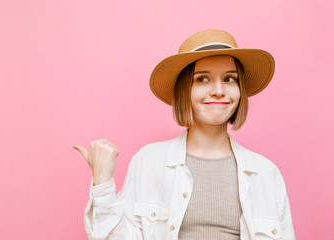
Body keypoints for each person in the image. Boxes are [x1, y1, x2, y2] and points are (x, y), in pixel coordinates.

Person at [73, 29, 296, 240]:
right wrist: (102, 184)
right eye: (202, 79)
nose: (218, 90)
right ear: (184, 90)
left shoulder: (267, 174)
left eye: (229, 79)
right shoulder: (149, 161)